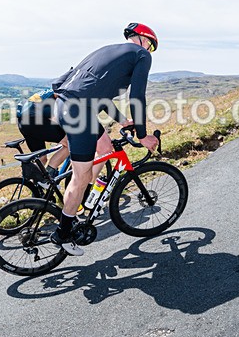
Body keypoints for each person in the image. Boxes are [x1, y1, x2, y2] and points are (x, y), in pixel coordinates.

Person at [49, 22, 160, 256]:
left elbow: (99, 96)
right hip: (80, 111)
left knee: (96, 158)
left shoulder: (107, 51)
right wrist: (142, 135)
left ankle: (77, 200)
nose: (149, 51)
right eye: (150, 46)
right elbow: (137, 96)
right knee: (81, 177)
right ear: (143, 39)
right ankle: (63, 233)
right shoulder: (141, 55)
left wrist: (122, 121)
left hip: (63, 105)